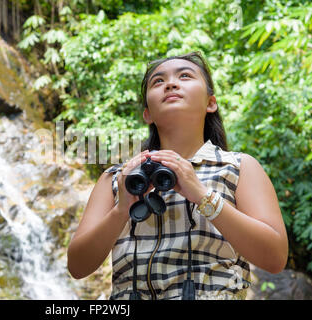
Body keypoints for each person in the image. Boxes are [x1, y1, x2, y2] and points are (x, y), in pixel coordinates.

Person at [67, 51, 288, 300]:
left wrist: (203, 196)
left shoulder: (239, 167)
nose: (171, 83)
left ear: (210, 103)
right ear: (147, 114)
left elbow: (274, 258)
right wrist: (121, 209)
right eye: (158, 81)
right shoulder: (118, 178)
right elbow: (77, 267)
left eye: (185, 76)